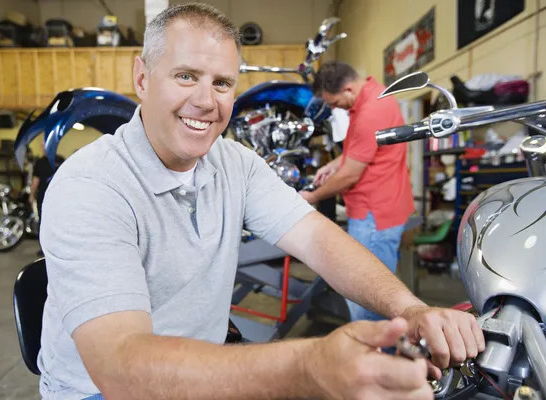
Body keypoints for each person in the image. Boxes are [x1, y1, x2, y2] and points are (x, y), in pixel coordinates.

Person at [38, 3, 484, 400]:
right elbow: (121, 371)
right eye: (186, 76)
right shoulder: (90, 186)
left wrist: (411, 309)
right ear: (141, 77)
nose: (204, 101)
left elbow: (318, 240)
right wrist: (310, 367)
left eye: (222, 83)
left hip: (206, 360)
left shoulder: (235, 163)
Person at [299, 61, 416, 322]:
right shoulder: (376, 92)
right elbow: (362, 150)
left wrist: (312, 197)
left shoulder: (369, 113)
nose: (333, 108)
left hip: (373, 215)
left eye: (334, 102)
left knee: (369, 297)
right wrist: (332, 164)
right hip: (386, 204)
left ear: (348, 88)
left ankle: (376, 357)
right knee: (379, 288)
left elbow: (351, 173)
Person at [29, 141, 65, 255]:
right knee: (44, 223)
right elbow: (35, 181)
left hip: (58, 197)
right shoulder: (39, 163)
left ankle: (57, 247)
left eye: (45, 146)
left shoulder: (60, 160)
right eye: (42, 146)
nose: (43, 149)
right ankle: (45, 249)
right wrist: (32, 195)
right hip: (44, 197)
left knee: (58, 222)